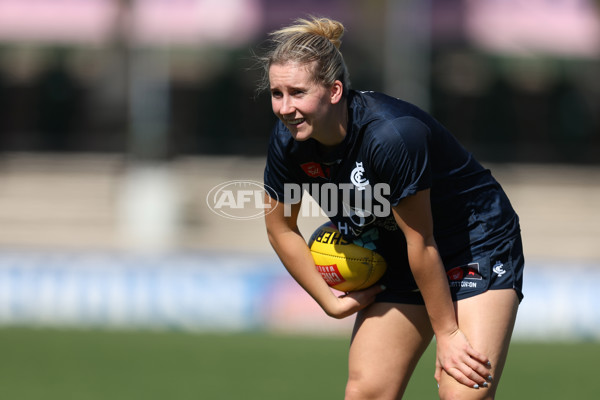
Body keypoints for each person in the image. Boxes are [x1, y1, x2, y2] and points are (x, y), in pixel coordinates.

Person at [258, 16, 524, 400]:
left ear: (334, 91)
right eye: (276, 93)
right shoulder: (287, 141)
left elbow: (424, 241)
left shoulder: (391, 135)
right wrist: (328, 302)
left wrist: (447, 333)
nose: (285, 108)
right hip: (396, 253)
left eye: (297, 92)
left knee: (463, 392)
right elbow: (280, 228)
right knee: (366, 392)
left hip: (474, 244)